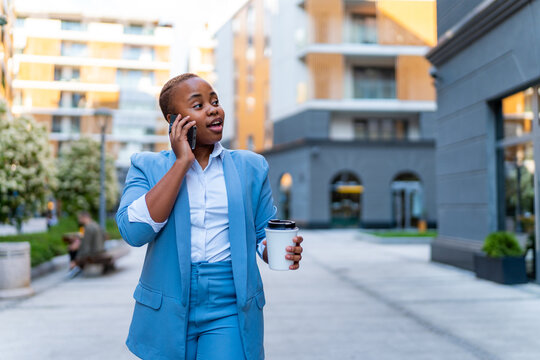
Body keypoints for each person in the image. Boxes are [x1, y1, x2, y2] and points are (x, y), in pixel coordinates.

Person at [116, 73, 304, 360]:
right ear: (173, 121)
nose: (213, 109)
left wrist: (278, 250)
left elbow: (261, 233)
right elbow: (134, 232)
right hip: (167, 303)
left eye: (214, 101)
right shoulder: (147, 166)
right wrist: (181, 163)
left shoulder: (251, 167)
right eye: (198, 105)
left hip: (229, 302)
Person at [66, 211, 106, 277]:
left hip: (94, 253)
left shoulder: (88, 227)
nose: (79, 220)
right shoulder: (96, 224)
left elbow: (85, 247)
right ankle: (74, 268)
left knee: (72, 249)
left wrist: (77, 259)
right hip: (100, 250)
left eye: (80, 218)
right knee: (74, 247)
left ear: (84, 218)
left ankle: (73, 268)